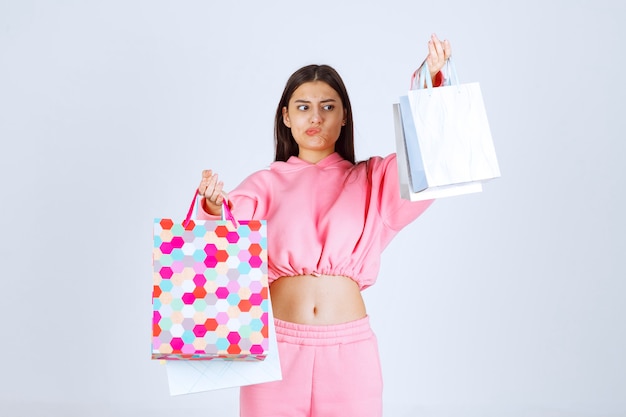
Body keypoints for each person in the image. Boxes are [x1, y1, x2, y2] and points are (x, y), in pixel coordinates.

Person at [197, 34, 452, 417]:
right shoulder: (263, 184)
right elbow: (223, 234)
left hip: (350, 356)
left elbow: (425, 166)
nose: (315, 118)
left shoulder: (373, 180)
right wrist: (214, 206)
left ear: (344, 115)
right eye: (303, 107)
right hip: (276, 353)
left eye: (327, 107)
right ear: (286, 116)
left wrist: (432, 85)